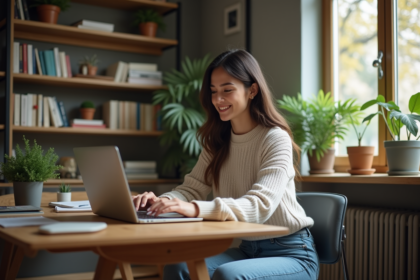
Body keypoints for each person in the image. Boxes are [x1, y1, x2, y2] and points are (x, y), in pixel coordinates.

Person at [132, 49, 319, 280]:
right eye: (213, 91)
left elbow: (260, 204)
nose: (218, 99)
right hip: (247, 250)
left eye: (227, 90)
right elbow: (191, 188)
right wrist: (164, 202)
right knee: (177, 268)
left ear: (252, 90)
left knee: (228, 276)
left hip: (292, 254)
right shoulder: (217, 141)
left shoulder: (275, 138)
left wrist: (196, 209)